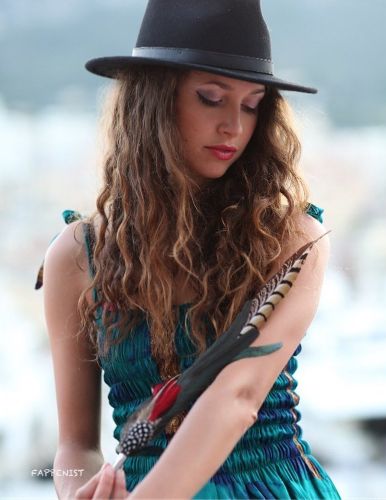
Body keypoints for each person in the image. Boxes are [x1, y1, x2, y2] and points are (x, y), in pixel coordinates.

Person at [38, 0, 341, 498]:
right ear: (153, 101)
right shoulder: (77, 255)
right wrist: (78, 491)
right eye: (211, 98)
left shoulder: (290, 237)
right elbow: (75, 446)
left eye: (251, 104)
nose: (234, 126)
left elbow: (237, 397)